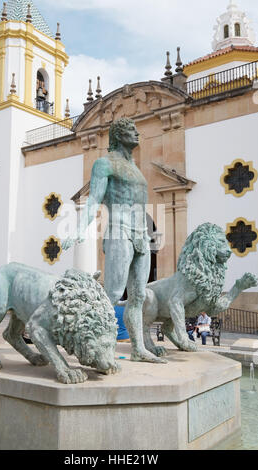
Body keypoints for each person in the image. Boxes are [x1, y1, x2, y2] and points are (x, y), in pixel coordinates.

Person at [62, 118, 165, 364]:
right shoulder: (104, 164)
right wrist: (79, 229)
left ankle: (138, 349)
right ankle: (98, 346)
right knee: (113, 292)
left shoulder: (136, 169)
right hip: (119, 230)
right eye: (131, 130)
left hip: (142, 235)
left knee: (138, 295)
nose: (137, 133)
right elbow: (94, 201)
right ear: (118, 136)